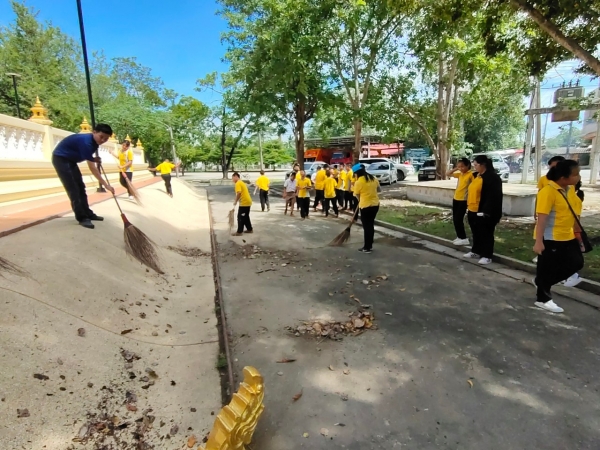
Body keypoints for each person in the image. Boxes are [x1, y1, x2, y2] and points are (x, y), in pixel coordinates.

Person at [533, 160, 584, 313]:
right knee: (547, 268)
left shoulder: (570, 189)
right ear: (563, 177)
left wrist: (578, 234)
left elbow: (574, 212)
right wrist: (539, 241)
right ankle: (543, 299)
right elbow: (542, 219)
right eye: (575, 174)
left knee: (576, 263)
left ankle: (541, 283)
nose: (578, 177)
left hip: (568, 235)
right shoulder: (548, 192)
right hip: (551, 237)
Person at [51, 123, 115, 229]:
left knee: (81, 187)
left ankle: (88, 213)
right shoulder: (86, 142)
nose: (103, 140)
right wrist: (105, 184)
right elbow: (92, 167)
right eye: (101, 137)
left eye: (106, 138)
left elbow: (90, 162)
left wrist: (94, 159)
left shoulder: (94, 143)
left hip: (71, 161)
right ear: (94, 132)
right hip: (61, 159)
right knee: (74, 189)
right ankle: (82, 217)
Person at [464, 155, 503, 265]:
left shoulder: (492, 178)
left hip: (484, 211)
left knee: (486, 233)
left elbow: (493, 197)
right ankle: (476, 251)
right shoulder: (477, 176)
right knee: (476, 232)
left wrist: (486, 211)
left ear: (483, 165)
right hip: (472, 209)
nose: (474, 167)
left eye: (476, 165)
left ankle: (487, 255)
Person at [352, 163, 380, 253]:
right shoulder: (373, 178)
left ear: (357, 173)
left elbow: (357, 195)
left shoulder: (358, 182)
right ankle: (370, 244)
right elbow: (379, 190)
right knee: (370, 225)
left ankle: (367, 247)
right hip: (375, 205)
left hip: (365, 206)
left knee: (367, 227)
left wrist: (361, 199)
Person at [447, 158, 474, 246]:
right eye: (459, 166)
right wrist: (456, 168)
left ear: (468, 165)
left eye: (462, 166)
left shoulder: (471, 174)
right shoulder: (460, 174)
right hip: (456, 198)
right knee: (455, 219)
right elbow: (448, 174)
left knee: (458, 219)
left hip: (463, 200)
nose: (460, 168)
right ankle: (459, 236)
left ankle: (464, 238)